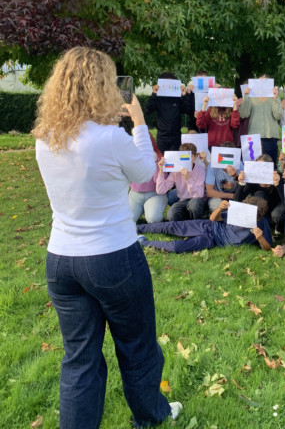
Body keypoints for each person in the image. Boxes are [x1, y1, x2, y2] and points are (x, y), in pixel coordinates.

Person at [33, 47, 181, 429]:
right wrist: (140, 122)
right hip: (113, 257)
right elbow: (145, 171)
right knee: (137, 347)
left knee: (79, 359)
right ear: (102, 87)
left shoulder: (45, 138)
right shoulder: (110, 138)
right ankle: (150, 416)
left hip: (61, 260)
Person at [137, 196, 272, 253]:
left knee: (177, 247)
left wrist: (260, 238)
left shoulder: (262, 224)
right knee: (173, 226)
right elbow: (213, 219)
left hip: (212, 240)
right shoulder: (238, 211)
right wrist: (220, 208)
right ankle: (138, 228)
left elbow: (268, 247)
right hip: (208, 226)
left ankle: (143, 242)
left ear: (258, 216)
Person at [144, 71, 194, 153]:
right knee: (162, 159)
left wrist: (184, 95)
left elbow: (187, 110)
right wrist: (154, 94)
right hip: (162, 137)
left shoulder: (178, 98)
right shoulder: (158, 98)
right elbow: (147, 110)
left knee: (175, 159)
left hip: (176, 136)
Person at [238, 75, 283, 164]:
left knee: (270, 166)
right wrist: (246, 96)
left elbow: (278, 116)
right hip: (254, 138)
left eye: (265, 82)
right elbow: (243, 114)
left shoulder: (275, 98)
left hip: (270, 138)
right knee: (253, 166)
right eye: (260, 82)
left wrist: (275, 99)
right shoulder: (251, 97)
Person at [156, 142, 207, 221]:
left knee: (194, 204)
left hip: (196, 199)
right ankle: (186, 220)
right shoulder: (176, 170)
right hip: (183, 200)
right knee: (171, 215)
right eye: (183, 157)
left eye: (190, 157)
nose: (186, 160)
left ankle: (196, 222)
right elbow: (160, 190)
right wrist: (161, 171)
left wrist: (188, 179)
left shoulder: (200, 170)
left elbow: (199, 194)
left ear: (195, 157)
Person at [128, 133, 168, 223]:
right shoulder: (131, 158)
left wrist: (155, 163)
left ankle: (151, 210)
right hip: (135, 195)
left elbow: (160, 184)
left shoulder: (160, 159)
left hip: (155, 194)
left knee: (153, 219)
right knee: (126, 220)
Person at [205, 141, 243, 212]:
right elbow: (209, 192)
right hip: (218, 196)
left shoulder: (239, 164)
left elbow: (244, 187)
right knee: (216, 206)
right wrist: (232, 196)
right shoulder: (212, 165)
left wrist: (235, 175)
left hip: (236, 195)